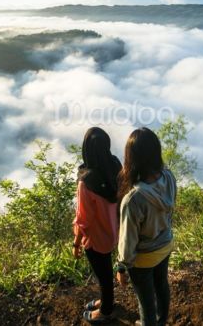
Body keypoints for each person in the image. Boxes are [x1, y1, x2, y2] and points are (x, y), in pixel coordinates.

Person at [115, 127, 177, 326]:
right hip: (165, 245)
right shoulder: (169, 177)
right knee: (162, 287)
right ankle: (161, 321)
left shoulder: (134, 199)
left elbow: (128, 239)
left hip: (144, 258)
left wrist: (122, 266)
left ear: (131, 158)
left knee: (146, 303)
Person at [73, 127, 122, 324]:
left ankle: (106, 310)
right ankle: (107, 300)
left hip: (96, 237)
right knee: (106, 273)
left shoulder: (86, 182)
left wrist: (76, 243)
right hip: (116, 231)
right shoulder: (116, 165)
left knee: (103, 275)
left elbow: (83, 219)